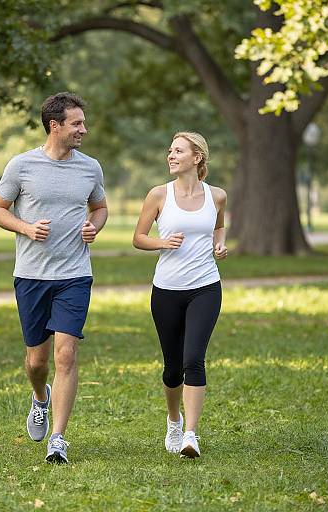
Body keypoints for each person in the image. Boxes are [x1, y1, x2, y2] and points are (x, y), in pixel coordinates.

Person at [0, 92, 108, 464]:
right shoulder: (21, 166)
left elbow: (100, 207)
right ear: (55, 126)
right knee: (37, 362)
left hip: (74, 274)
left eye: (83, 123)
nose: (83, 130)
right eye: (76, 123)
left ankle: (58, 438)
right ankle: (40, 397)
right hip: (31, 276)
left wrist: (94, 227)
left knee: (67, 353)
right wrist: (25, 227)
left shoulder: (90, 168)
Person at [133, 131, 227, 458]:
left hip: (205, 287)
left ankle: (190, 434)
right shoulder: (159, 195)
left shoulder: (217, 196)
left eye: (178, 150)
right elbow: (138, 237)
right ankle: (174, 420)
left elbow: (218, 226)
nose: (171, 155)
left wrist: (219, 244)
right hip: (167, 291)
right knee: (173, 368)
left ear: (197, 157)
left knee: (193, 360)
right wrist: (163, 242)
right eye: (170, 150)